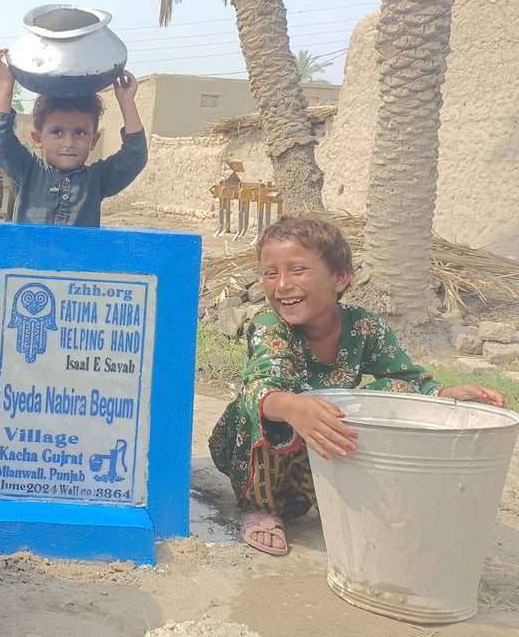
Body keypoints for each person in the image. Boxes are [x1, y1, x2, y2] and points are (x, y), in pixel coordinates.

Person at [208, 215, 506, 557]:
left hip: (319, 453)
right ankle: (260, 508)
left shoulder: (365, 326)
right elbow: (263, 385)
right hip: (265, 458)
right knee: (260, 401)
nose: (282, 285)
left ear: (340, 277)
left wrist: (447, 394)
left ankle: (332, 494)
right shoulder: (269, 325)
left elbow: (408, 379)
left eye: (297, 270)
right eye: (270, 273)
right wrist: (292, 407)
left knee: (391, 394)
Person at [0, 48, 148, 226]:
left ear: (93, 141)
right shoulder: (28, 171)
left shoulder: (98, 179)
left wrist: (127, 101)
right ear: (38, 139)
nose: (69, 143)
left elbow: (135, 156)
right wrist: (6, 84)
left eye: (80, 132)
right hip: (31, 255)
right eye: (57, 132)